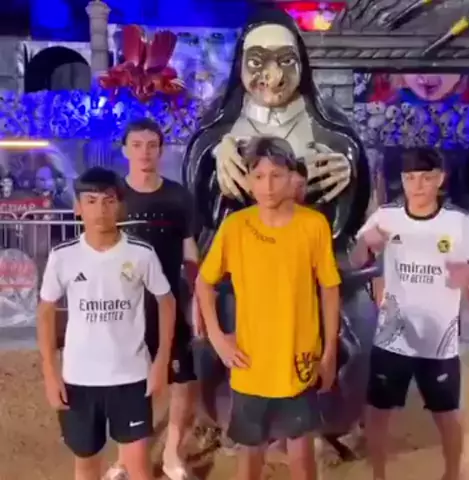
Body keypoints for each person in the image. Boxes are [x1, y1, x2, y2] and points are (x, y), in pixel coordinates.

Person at [195, 136, 341, 480]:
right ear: (248, 180)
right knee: (250, 456)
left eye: (276, 175)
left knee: (302, 457)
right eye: (259, 176)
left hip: (299, 362)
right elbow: (204, 282)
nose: (268, 186)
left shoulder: (313, 226)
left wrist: (329, 352)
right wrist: (217, 337)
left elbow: (329, 288)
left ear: (292, 176)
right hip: (251, 364)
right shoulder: (236, 227)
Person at [37, 167, 176, 480]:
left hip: (131, 377)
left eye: (109, 201)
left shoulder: (141, 254)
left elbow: (166, 301)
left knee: (139, 466)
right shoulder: (63, 256)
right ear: (78, 207)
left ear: (120, 205)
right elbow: (45, 311)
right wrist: (50, 372)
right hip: (79, 380)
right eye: (91, 201)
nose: (100, 210)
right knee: (86, 463)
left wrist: (161, 361)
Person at [350, 147, 469, 480]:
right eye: (410, 178)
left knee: (447, 413)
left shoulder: (458, 222)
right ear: (402, 180)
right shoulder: (386, 217)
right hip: (393, 337)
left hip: (440, 342)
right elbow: (355, 260)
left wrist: (468, 274)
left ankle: (452, 474)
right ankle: (379, 474)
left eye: (425, 178)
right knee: (378, 411)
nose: (417, 185)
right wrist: (365, 245)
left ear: (441, 178)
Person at [107, 118, 201, 480]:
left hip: (169, 305)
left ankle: (172, 453)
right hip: (123, 309)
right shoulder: (113, 198)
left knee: (182, 379)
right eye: (137, 145)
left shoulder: (179, 197)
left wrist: (198, 299)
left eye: (151, 145)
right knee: (126, 383)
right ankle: (125, 457)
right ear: (125, 150)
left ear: (161, 150)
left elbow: (190, 252)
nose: (144, 152)